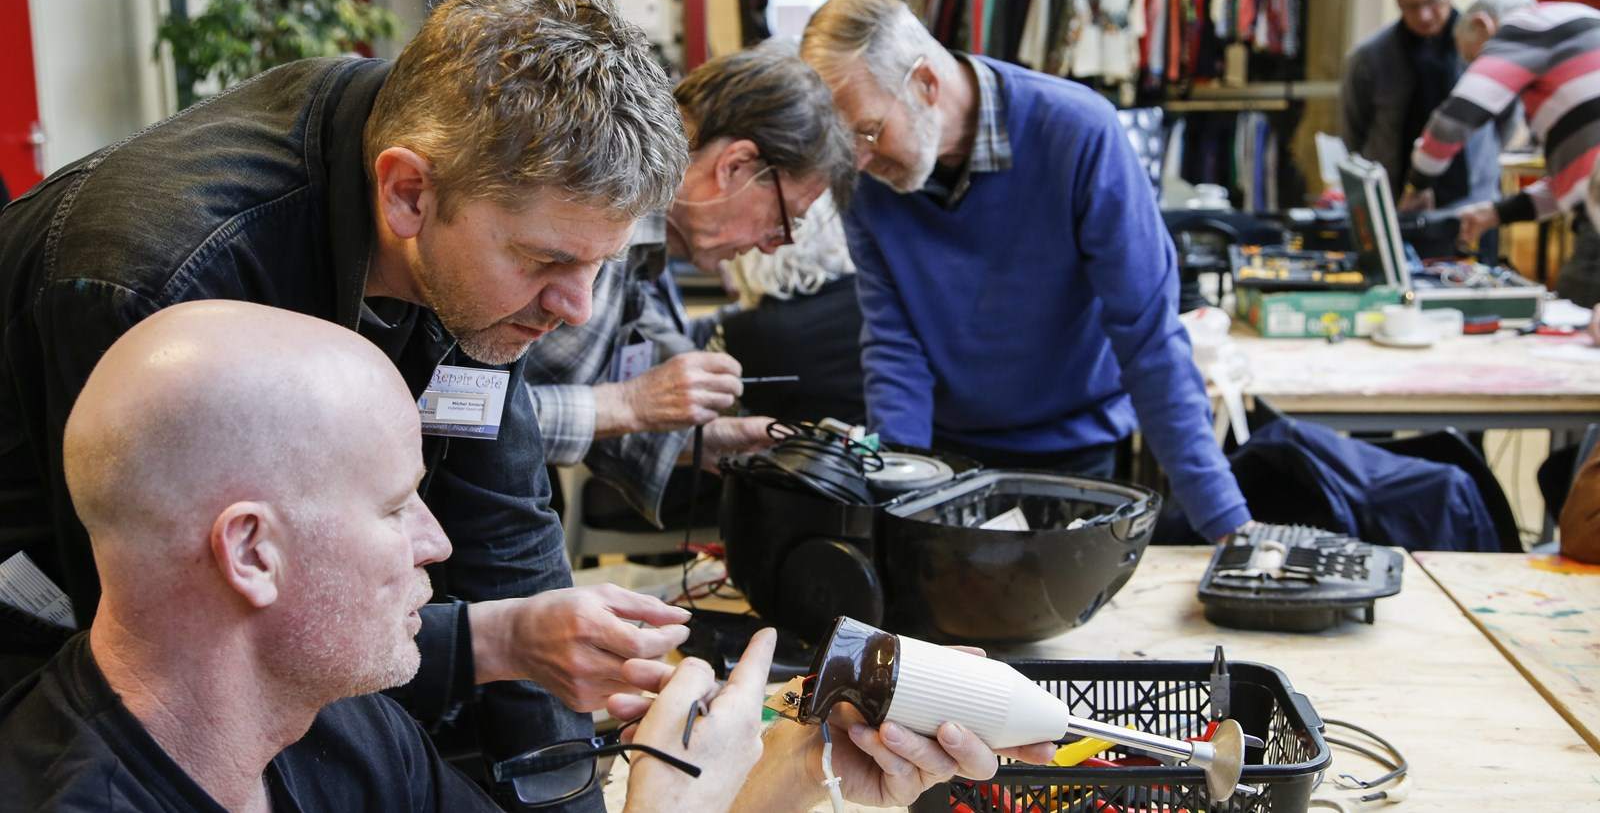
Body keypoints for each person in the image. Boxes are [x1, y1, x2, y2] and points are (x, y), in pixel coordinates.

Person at [0, 0, 692, 810]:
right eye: (548, 262)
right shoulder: (160, 278)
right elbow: (192, 647)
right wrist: (485, 644)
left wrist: (564, 783)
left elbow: (502, 527)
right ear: (408, 193)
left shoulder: (470, 214)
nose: (575, 306)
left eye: (597, 266)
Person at [0, 300, 1052, 812]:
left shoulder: (334, 728)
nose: (438, 543)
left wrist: (803, 770)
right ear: (252, 552)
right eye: (396, 505)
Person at [798, 0, 1253, 541]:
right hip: (945, 457)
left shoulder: (1079, 133)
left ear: (925, 83)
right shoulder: (869, 179)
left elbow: (1149, 336)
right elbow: (895, 346)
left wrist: (1226, 523)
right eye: (845, 150)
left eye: (868, 132)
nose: (862, 162)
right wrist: (901, 490)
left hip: (1073, 457)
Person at [522, 41, 855, 523]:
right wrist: (628, 404)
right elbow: (443, 405)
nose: (775, 246)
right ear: (735, 167)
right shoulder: (584, 211)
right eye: (785, 219)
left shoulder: (644, 251)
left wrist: (709, 442)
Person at [1400, 0, 1600, 306]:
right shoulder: (1579, 24)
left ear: (1482, 26)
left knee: (1575, 318)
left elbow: (1452, 123)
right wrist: (1495, 213)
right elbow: (1576, 185)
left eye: (1476, 59)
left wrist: (1418, 185)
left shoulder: (1526, 27)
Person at [1342, 0, 1504, 212]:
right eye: (1411, 5)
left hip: (1474, 204)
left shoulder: (1486, 48)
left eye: (1433, 1)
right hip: (1394, 207)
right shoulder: (1369, 58)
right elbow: (1353, 134)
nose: (1424, 15)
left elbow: (1503, 118)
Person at [719, 192, 868, 425]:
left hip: (789, 456)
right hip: (890, 452)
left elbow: (717, 420)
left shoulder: (741, 332)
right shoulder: (876, 305)